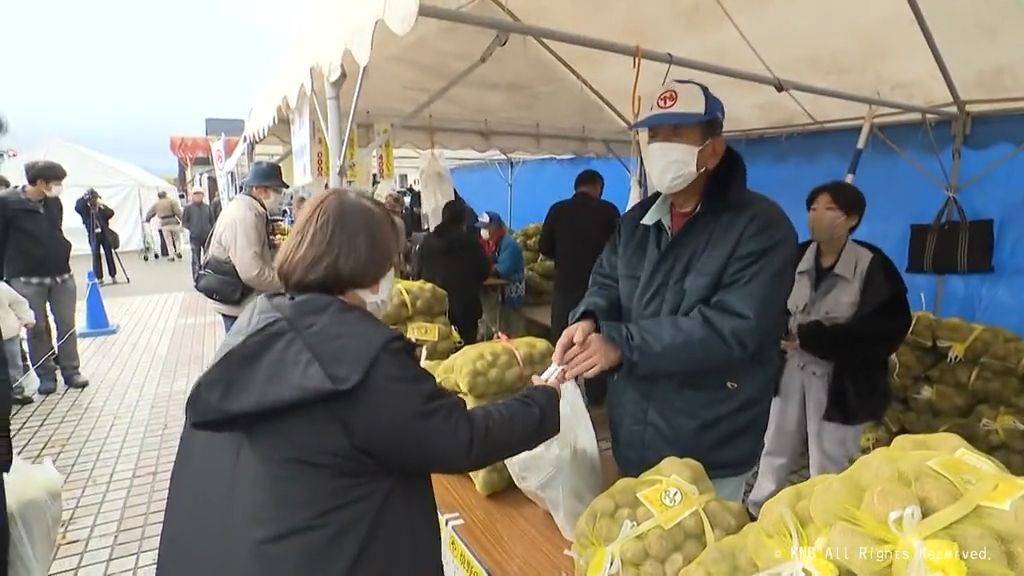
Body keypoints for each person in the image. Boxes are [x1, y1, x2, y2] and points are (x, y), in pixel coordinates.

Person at [157, 189, 560, 576]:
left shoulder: (259, 321)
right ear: (364, 266)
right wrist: (543, 400)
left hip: (252, 549)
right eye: (389, 261)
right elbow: (459, 438)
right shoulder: (361, 354)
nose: (394, 273)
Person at [552, 80, 797, 501]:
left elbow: (733, 327)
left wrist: (621, 343)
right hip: (635, 435)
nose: (660, 146)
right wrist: (590, 318)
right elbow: (607, 281)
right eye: (654, 136)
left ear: (714, 149)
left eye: (677, 135)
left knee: (697, 559)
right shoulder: (636, 222)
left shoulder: (760, 228)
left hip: (708, 443)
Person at [746, 181, 912, 517]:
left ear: (851, 218)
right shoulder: (794, 256)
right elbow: (765, 301)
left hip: (840, 376)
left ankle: (830, 520)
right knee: (776, 445)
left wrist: (823, 339)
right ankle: (759, 511)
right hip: (791, 368)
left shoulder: (872, 264)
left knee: (832, 455)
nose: (816, 216)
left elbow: (887, 325)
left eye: (828, 209)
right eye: (812, 208)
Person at [0, 160, 90, 394]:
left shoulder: (53, 202)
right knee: (36, 327)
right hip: (26, 277)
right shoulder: (7, 203)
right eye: (56, 183)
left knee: (67, 324)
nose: (59, 187)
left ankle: (71, 370)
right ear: (40, 182)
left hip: (61, 274)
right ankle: (46, 374)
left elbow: (55, 231)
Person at [540, 169, 620, 405]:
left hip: (565, 286)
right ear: (598, 188)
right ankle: (596, 398)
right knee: (595, 342)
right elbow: (620, 251)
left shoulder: (558, 209)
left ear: (577, 186)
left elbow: (544, 247)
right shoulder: (608, 211)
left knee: (563, 342)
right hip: (600, 290)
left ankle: (563, 394)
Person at [204, 162, 285, 332]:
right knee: (244, 353)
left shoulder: (249, 209)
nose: (279, 196)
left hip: (239, 298)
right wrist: (285, 283)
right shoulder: (245, 216)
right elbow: (252, 272)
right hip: (239, 302)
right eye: (276, 191)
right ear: (259, 190)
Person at [418, 201, 490, 345]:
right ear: (463, 219)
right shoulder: (470, 242)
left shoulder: (428, 241)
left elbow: (418, 270)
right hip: (465, 307)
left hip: (433, 305)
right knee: (466, 352)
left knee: (437, 350)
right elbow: (484, 271)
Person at [477, 211, 526, 334]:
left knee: (512, 329)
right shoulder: (486, 243)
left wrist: (482, 269)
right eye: (481, 227)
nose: (483, 230)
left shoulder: (509, 245)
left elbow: (501, 270)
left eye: (486, 227)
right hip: (495, 294)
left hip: (510, 295)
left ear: (495, 226)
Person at [0, 281, 35, 405]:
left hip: (8, 333)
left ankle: (17, 390)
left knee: (14, 364)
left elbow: (19, 303)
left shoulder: (2, 288)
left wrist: (27, 319)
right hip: (9, 332)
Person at [74, 189, 119, 284]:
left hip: (104, 233)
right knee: (95, 255)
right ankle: (99, 278)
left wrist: (101, 206)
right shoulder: (85, 209)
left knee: (109, 254)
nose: (94, 201)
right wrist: (85, 198)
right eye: (92, 199)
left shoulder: (101, 208)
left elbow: (111, 213)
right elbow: (77, 207)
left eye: (95, 198)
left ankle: (113, 275)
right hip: (93, 234)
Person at [182, 188, 215, 280]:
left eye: (200, 194)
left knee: (208, 257)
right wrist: (192, 228)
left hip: (207, 236)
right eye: (196, 195)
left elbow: (212, 221)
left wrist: (211, 230)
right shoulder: (188, 208)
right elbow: (184, 222)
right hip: (194, 236)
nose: (198, 197)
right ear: (192, 196)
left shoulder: (207, 207)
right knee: (195, 257)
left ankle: (207, 274)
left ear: (203, 196)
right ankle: (196, 276)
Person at [145, 190, 184, 261]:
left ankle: (171, 255)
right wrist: (182, 220)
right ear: (166, 195)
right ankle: (178, 251)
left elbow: (150, 213)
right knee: (177, 239)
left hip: (164, 223)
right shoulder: (172, 202)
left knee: (168, 241)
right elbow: (178, 212)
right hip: (173, 221)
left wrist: (147, 219)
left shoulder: (156, 204)